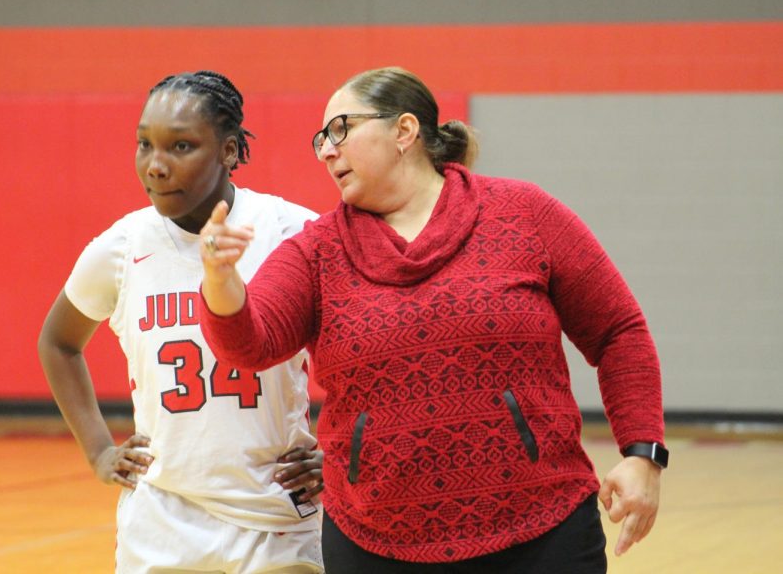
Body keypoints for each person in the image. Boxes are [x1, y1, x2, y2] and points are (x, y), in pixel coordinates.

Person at [197, 66, 666, 573]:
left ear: (404, 131)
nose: (327, 151)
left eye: (341, 130)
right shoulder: (316, 252)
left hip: (543, 532)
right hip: (373, 544)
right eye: (321, 140)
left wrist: (644, 453)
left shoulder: (523, 212)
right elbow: (250, 344)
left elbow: (619, 331)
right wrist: (221, 283)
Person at [38, 71, 325, 573]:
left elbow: (366, 346)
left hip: (276, 518)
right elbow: (58, 342)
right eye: (144, 144)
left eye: (181, 146)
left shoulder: (291, 233)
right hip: (161, 521)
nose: (155, 166)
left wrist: (337, 452)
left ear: (230, 151)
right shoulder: (122, 247)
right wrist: (100, 450)